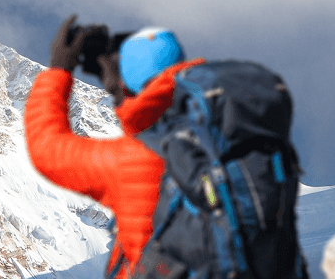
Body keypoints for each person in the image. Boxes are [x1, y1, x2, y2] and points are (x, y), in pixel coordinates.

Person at [24, 14, 203, 278]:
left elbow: (46, 147)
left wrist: (60, 68)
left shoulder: (136, 160)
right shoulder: (232, 138)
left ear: (122, 83)